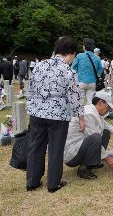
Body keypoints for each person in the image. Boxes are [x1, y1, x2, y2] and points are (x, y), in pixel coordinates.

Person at [26, 36, 84, 193]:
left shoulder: (38, 66)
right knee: (55, 149)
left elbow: (30, 89)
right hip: (58, 114)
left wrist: (31, 107)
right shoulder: (68, 71)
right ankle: (53, 183)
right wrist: (81, 117)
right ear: (70, 53)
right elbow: (75, 97)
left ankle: (32, 181)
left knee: (35, 147)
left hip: (37, 112)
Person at [64, 91, 113, 180]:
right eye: (108, 107)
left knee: (105, 131)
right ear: (100, 102)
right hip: (71, 154)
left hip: (79, 146)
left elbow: (109, 127)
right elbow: (94, 138)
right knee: (96, 137)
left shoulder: (95, 112)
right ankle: (83, 169)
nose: (108, 110)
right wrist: (108, 158)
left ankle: (94, 162)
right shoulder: (89, 113)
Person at [72, 38, 103, 105]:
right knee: (90, 102)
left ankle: (80, 115)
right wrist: (97, 76)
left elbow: (73, 68)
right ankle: (90, 114)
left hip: (81, 81)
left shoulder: (79, 56)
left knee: (80, 102)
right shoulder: (97, 58)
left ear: (84, 46)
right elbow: (100, 68)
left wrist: (76, 75)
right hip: (92, 82)